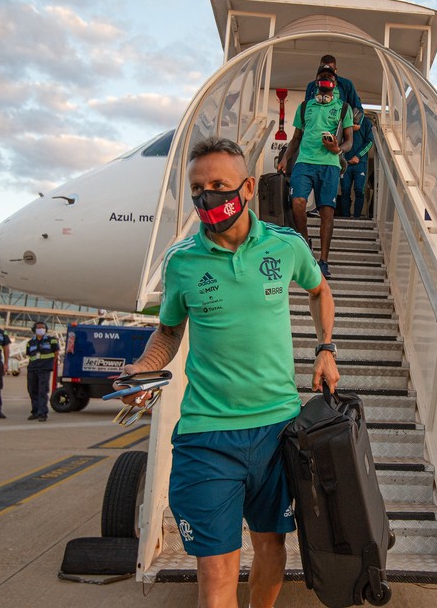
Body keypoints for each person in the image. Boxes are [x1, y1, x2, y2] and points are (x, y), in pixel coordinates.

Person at [116, 137, 340, 608]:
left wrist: (326, 348)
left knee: (271, 546)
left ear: (249, 187)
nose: (207, 197)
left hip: (277, 431)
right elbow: (168, 333)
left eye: (219, 185)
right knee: (216, 568)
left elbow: (320, 292)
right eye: (198, 188)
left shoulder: (287, 246)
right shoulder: (181, 262)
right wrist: (142, 367)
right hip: (207, 435)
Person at [277, 64, 354, 280]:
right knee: (298, 203)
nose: (325, 79)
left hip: (329, 165)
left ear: (335, 83)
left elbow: (349, 141)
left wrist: (337, 149)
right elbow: (296, 138)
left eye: (329, 76)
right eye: (321, 76)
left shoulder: (344, 108)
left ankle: (324, 261)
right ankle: (305, 247)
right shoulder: (304, 107)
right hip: (304, 162)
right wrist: (284, 158)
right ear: (316, 82)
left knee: (326, 212)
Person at [339, 109, 374, 218]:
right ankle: (345, 217)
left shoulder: (366, 123)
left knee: (359, 190)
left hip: (360, 164)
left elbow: (369, 142)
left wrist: (358, 156)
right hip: (345, 163)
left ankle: (357, 217)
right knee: (345, 191)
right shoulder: (342, 121)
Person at [25, 321, 59, 422]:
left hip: (44, 369)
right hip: (32, 369)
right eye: (39, 327)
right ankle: (35, 412)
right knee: (32, 390)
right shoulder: (30, 343)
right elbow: (30, 356)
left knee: (42, 391)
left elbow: (56, 353)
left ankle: (42, 413)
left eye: (43, 327)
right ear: (34, 329)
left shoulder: (51, 340)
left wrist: (49, 363)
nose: (41, 329)